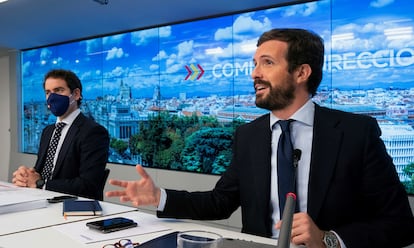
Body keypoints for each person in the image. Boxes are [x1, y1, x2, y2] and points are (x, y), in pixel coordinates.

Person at [105, 29, 414, 247]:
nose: (254, 73)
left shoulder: (355, 133)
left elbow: (400, 225)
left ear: (301, 72)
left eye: (267, 63)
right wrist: (160, 197)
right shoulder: (249, 135)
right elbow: (221, 201)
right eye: (254, 64)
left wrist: (329, 240)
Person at [12, 69, 110, 200]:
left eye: (58, 90)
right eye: (48, 92)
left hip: (73, 208)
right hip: (40, 201)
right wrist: (26, 176)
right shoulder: (48, 131)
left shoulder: (93, 132)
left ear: (76, 94)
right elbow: (41, 172)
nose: (52, 97)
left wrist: (41, 184)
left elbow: (88, 185)